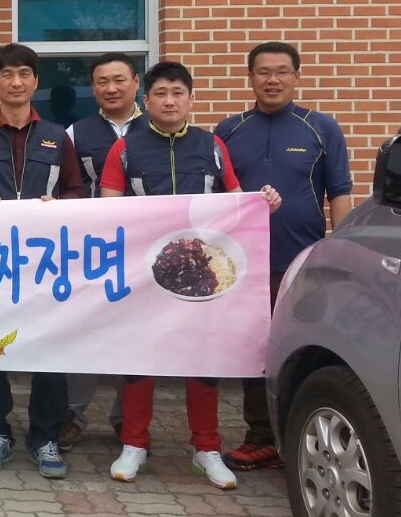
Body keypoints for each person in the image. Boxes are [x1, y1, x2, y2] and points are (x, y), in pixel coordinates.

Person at [99, 60, 281, 491]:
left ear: (191, 99)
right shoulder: (124, 149)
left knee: (203, 359)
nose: (169, 101)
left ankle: (207, 448)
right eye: (160, 93)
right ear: (146, 100)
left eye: (178, 93)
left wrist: (263, 203)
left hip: (202, 277)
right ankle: (134, 443)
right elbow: (107, 209)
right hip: (143, 275)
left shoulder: (211, 145)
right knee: (140, 359)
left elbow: (236, 200)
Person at [215, 42, 353, 472]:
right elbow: (217, 196)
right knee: (253, 350)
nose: (272, 80)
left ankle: (300, 434)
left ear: (296, 76)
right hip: (243, 264)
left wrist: (340, 250)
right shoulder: (229, 130)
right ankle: (260, 437)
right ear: (250, 77)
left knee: (302, 347)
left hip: (302, 261)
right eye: (263, 72)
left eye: (281, 71)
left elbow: (339, 193)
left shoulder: (321, 128)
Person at [0, 43, 83, 478]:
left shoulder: (58, 136)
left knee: (49, 350)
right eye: (6, 74)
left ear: (35, 81)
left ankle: (45, 437)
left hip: (46, 264)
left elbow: (76, 191)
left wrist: (58, 206)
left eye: (24, 73)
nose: (16, 82)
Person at [61, 52, 144, 449]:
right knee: (84, 332)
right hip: (91, 252)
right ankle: (72, 415)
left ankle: (126, 420)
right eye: (101, 82)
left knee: (134, 337)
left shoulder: (156, 127)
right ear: (92, 87)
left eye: (118, 80)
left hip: (143, 253)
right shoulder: (76, 133)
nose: (111, 89)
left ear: (136, 82)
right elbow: (68, 188)